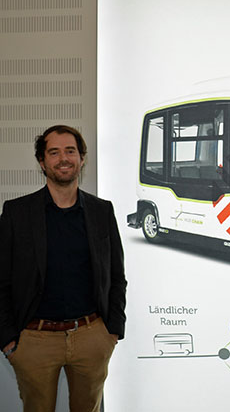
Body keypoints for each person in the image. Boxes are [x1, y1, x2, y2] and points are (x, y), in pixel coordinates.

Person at [0, 125, 127, 412]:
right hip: (34, 340)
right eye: (54, 152)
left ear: (82, 158)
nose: (63, 158)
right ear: (42, 162)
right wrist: (9, 340)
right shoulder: (16, 213)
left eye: (70, 151)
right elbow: (1, 280)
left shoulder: (101, 211)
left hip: (92, 336)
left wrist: (112, 331)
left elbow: (116, 275)